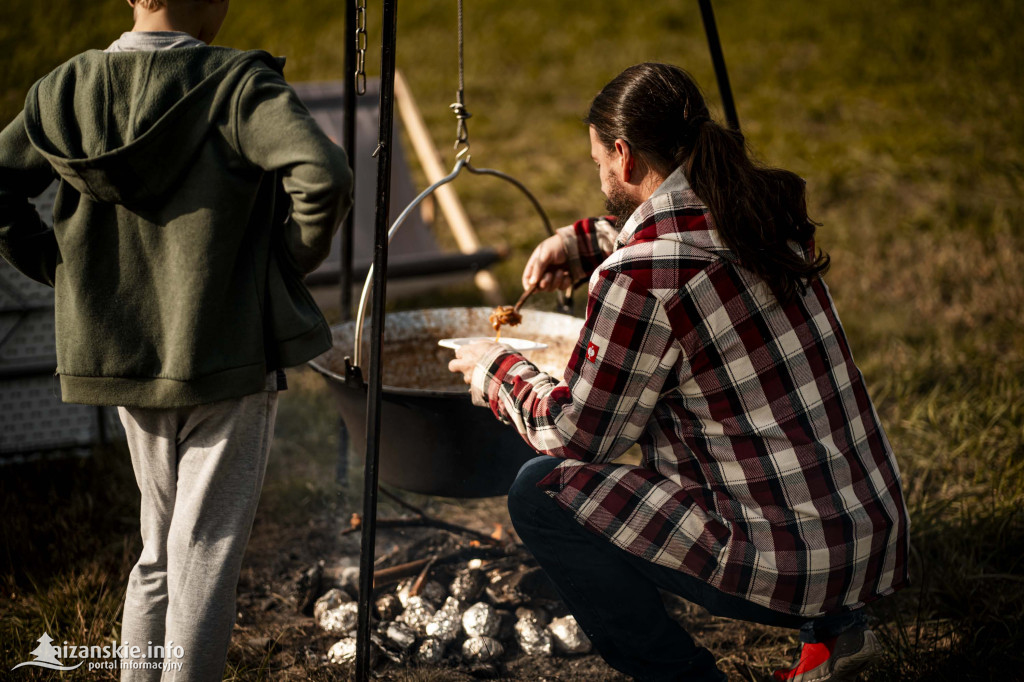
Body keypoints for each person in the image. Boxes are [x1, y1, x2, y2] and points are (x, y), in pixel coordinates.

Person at [449, 62, 909, 682]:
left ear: (624, 155)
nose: (600, 176)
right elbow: (680, 235)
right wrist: (583, 241)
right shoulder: (761, 215)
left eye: (598, 164)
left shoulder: (641, 276)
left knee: (542, 492)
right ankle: (841, 637)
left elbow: (580, 435)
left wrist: (495, 366)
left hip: (796, 569)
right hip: (872, 543)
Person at [0, 0, 352, 679]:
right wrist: (284, 263)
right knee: (205, 555)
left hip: (127, 354)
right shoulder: (236, 86)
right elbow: (324, 175)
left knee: (159, 548)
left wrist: (58, 267)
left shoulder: (66, 88)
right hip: (228, 355)